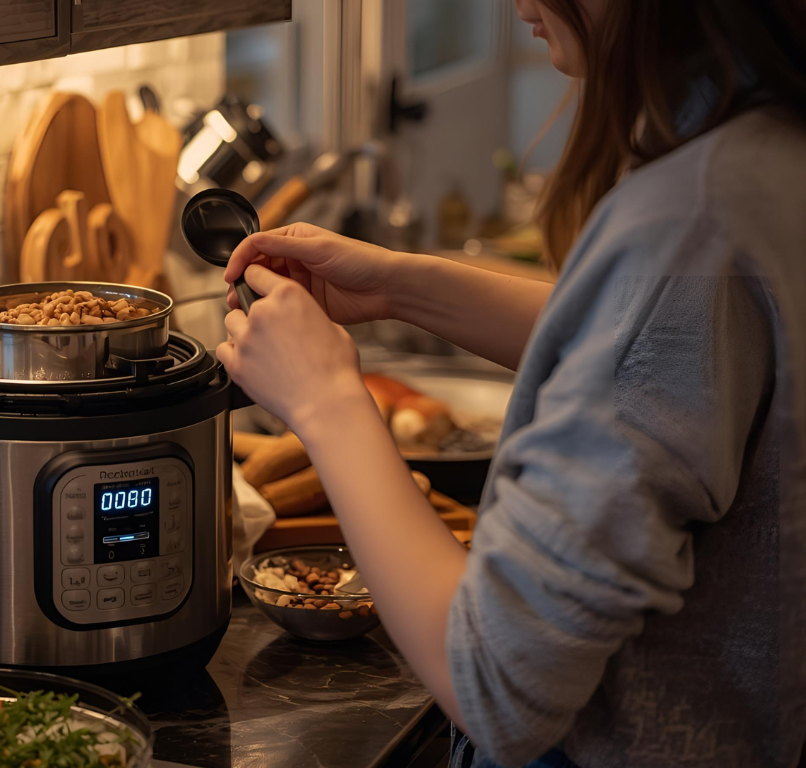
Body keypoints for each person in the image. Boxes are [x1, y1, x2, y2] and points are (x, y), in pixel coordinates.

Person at [216, 1, 806, 766]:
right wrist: (403, 288)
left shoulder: (686, 219)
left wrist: (325, 403)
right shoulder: (762, 148)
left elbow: (495, 680)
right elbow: (661, 349)